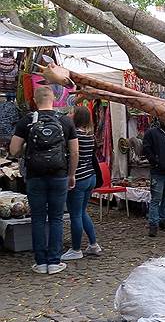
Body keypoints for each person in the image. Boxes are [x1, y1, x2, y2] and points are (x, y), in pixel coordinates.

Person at [9, 85, 79, 275]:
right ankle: (54, 262)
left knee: (38, 219)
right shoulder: (65, 121)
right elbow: (74, 151)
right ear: (54, 99)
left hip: (35, 176)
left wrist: (28, 149)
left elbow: (13, 150)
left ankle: (41, 262)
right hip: (59, 175)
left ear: (34, 100)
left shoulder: (27, 121)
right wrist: (71, 174)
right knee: (56, 218)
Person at [61, 106, 102, 261]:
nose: (69, 114)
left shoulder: (75, 135)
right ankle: (93, 244)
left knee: (75, 214)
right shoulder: (89, 135)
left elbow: (73, 154)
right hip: (90, 176)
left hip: (78, 178)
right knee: (83, 212)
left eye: (72, 113)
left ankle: (76, 248)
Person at [142, 118, 165, 237]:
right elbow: (146, 149)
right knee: (156, 199)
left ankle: (163, 220)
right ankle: (153, 224)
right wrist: (155, 161)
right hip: (158, 172)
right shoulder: (152, 133)